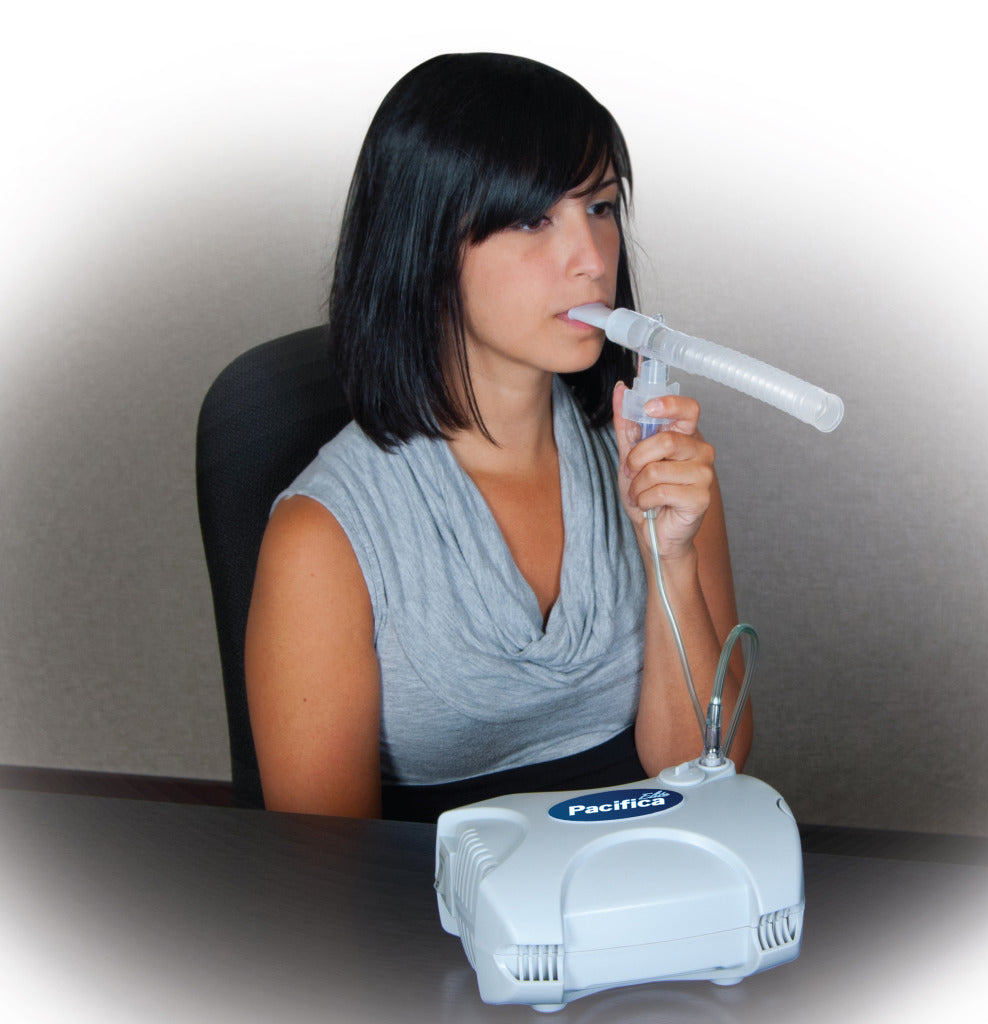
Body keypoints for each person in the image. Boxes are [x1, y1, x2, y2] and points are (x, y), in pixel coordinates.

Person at [245, 52, 752, 821]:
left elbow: (705, 774)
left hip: (642, 888)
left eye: (602, 208)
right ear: (425, 246)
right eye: (531, 218)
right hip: (430, 926)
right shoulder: (323, 538)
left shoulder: (656, 464)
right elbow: (324, 878)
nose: (590, 260)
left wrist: (670, 561)